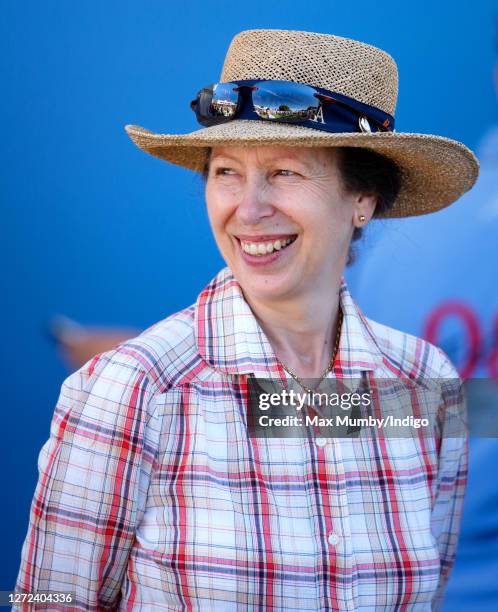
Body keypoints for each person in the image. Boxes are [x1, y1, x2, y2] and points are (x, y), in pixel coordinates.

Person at [14, 29, 477, 611]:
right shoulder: (134, 389)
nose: (249, 209)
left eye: (285, 172)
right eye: (226, 171)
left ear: (363, 201)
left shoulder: (423, 384)